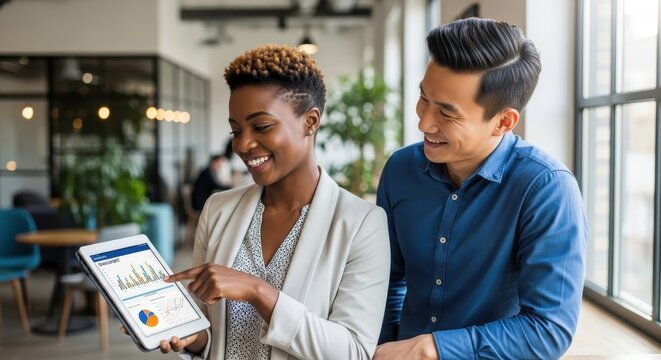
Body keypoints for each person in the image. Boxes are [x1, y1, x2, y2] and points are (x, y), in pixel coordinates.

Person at [157, 44, 390, 359]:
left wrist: (258, 292)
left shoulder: (362, 224)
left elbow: (353, 351)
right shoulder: (218, 209)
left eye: (261, 127)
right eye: (235, 130)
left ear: (310, 122)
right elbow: (212, 335)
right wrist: (192, 336)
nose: (243, 144)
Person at [374, 18, 587, 360]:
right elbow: (386, 281)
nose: (424, 122)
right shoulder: (400, 170)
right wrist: (380, 347)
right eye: (423, 98)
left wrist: (434, 348)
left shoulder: (547, 189)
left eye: (447, 113)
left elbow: (548, 330)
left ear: (503, 122)